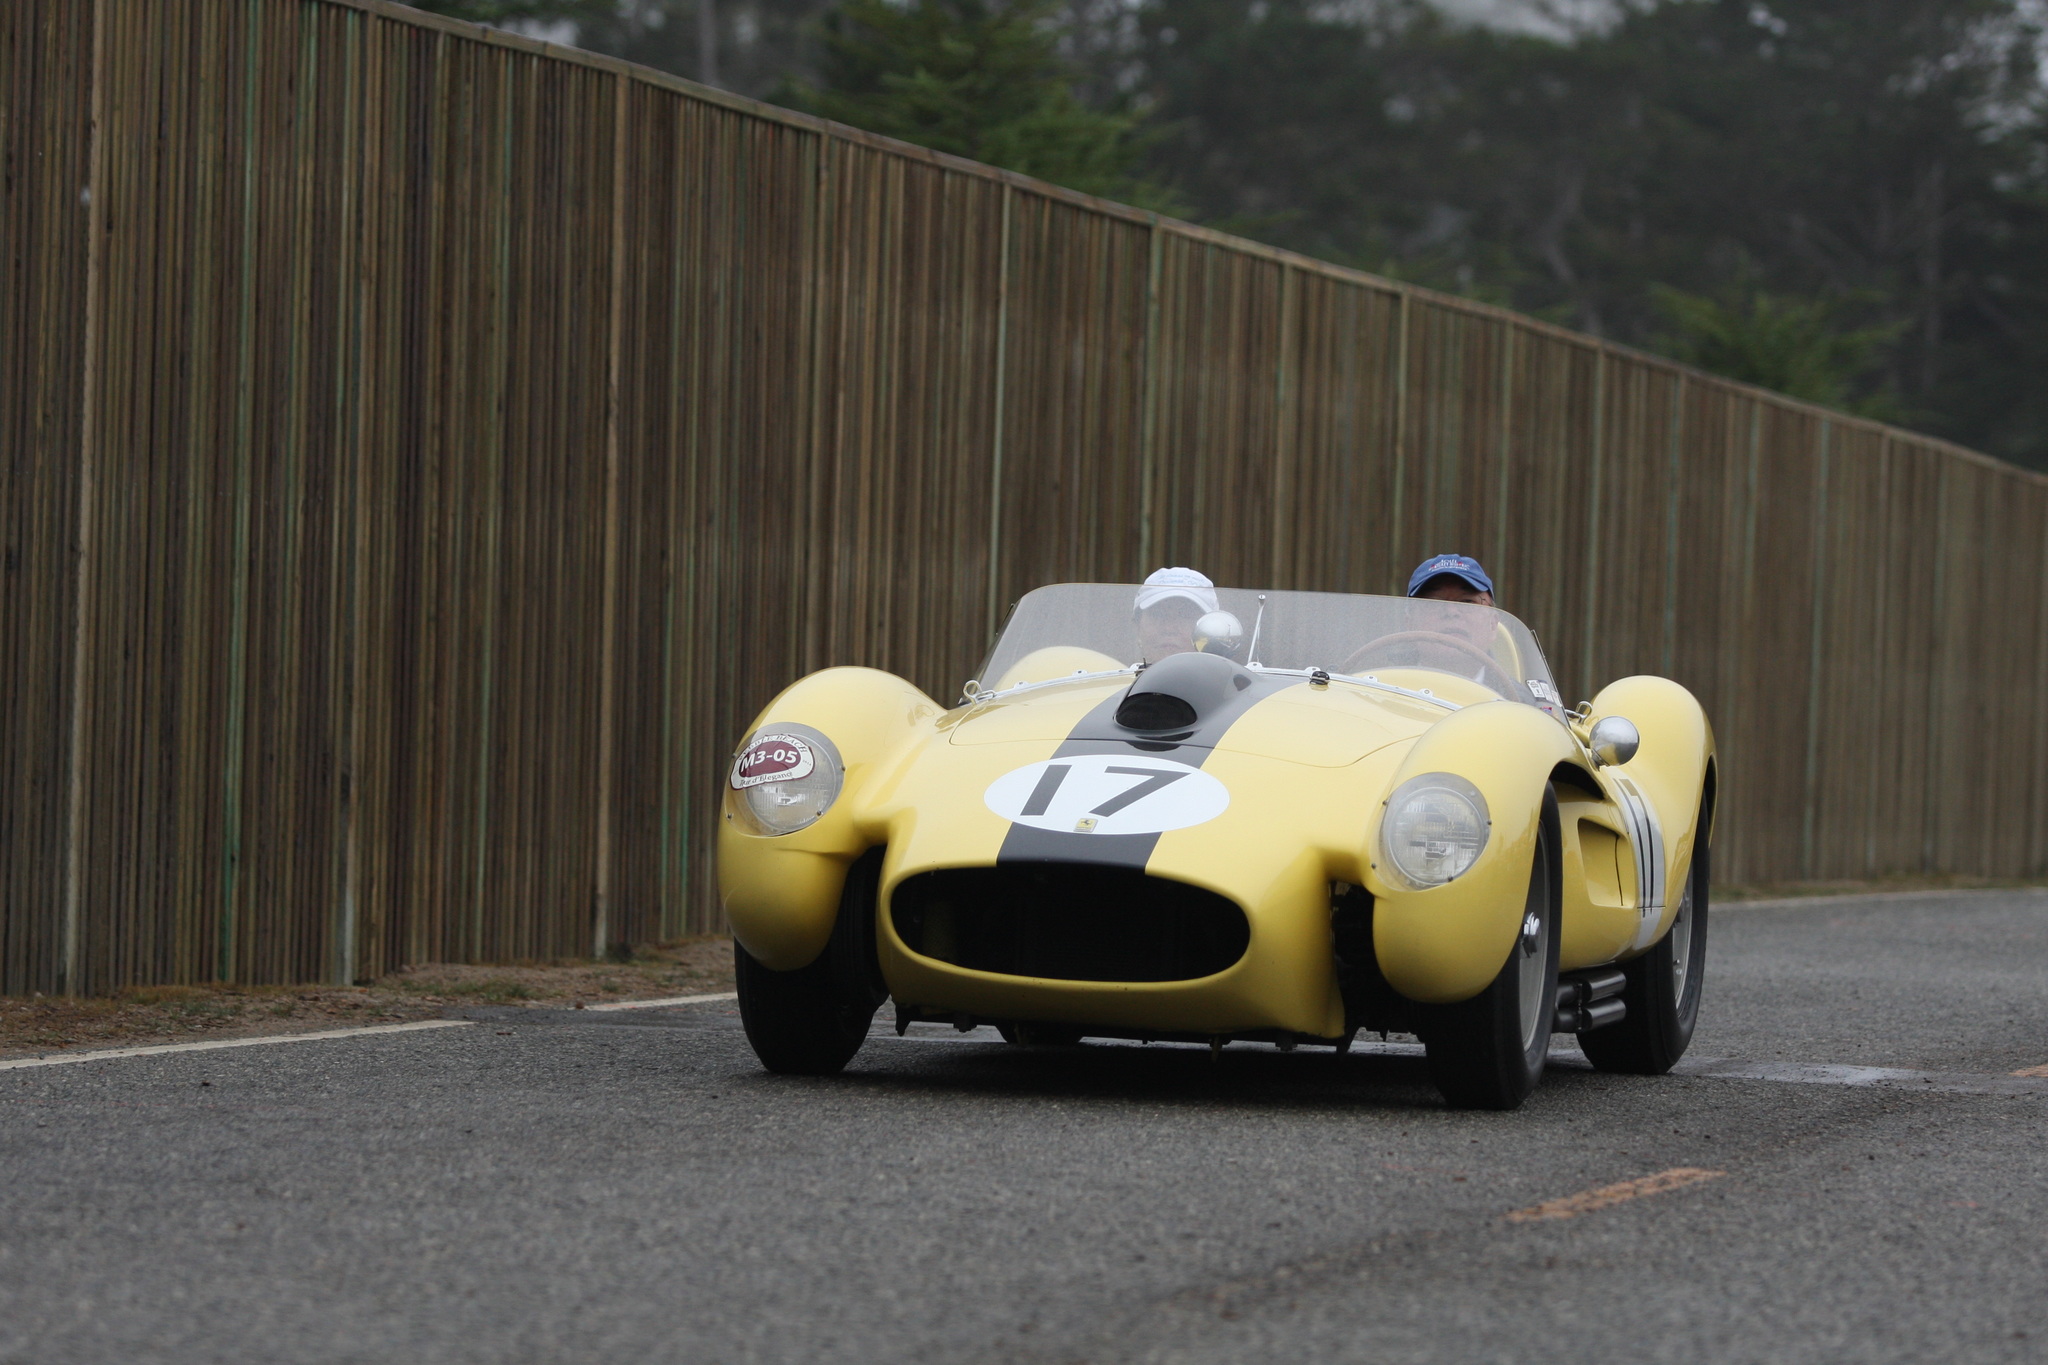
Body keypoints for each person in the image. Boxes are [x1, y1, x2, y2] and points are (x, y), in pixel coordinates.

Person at [1133, 566, 1220, 663]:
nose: (1168, 628)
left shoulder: (1231, 678)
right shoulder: (1116, 676)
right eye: (1157, 614)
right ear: (1138, 626)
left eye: (1185, 615)